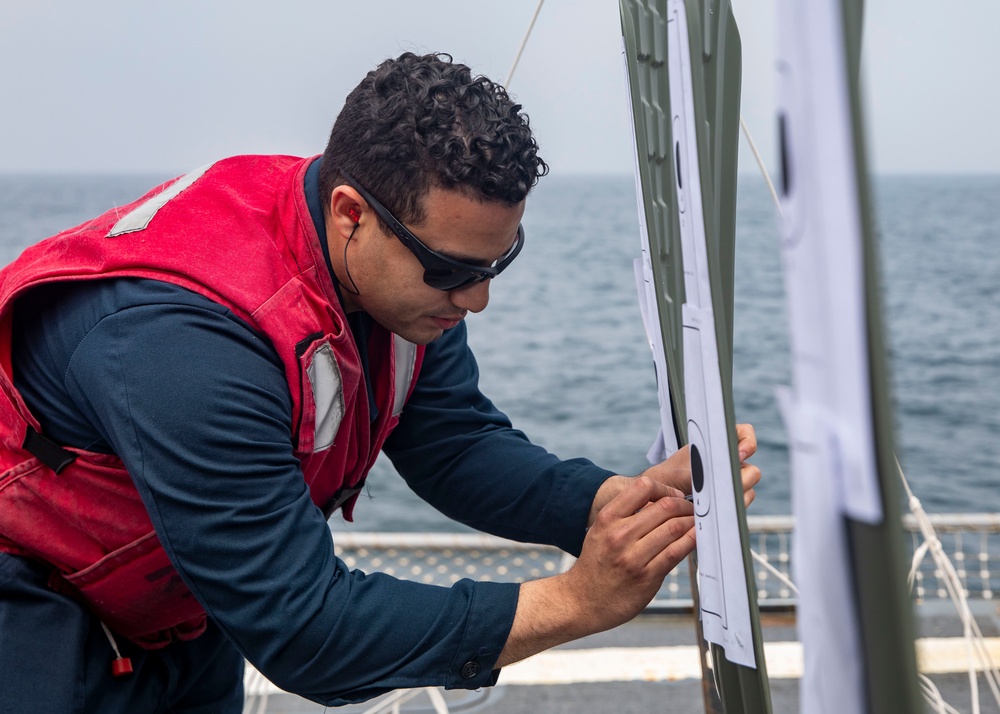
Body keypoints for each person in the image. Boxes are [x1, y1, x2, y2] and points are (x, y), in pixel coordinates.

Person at [0, 52, 760, 711]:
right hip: (31, 604)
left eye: (498, 262)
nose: (477, 299)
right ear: (350, 213)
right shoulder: (184, 344)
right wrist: (574, 602)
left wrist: (618, 508)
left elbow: (453, 443)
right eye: (452, 271)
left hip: (181, 606)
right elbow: (307, 631)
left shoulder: (393, 286)